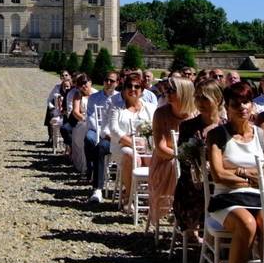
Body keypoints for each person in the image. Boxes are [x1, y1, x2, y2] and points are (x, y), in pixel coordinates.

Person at [206, 81, 264, 263]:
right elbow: (218, 175)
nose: (242, 107)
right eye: (235, 103)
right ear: (226, 106)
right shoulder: (217, 135)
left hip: (257, 197)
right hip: (226, 198)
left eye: (246, 101)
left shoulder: (262, 136)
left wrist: (239, 171)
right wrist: (254, 177)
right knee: (247, 224)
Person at [173, 79, 227, 234]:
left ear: (218, 99)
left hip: (220, 178)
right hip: (193, 179)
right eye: (197, 97)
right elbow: (183, 158)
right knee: (194, 187)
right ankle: (194, 228)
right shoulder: (188, 126)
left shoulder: (226, 126)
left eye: (205, 98)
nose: (200, 102)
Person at [147, 77, 196, 229]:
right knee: (177, 168)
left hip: (193, 164)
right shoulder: (161, 114)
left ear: (184, 92)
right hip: (165, 162)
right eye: (166, 89)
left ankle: (196, 222)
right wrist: (181, 156)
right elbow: (160, 148)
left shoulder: (196, 115)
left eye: (171, 90)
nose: (166, 93)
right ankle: (186, 223)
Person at [108, 71, 155, 209]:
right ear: (124, 88)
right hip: (122, 145)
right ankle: (129, 196)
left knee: (154, 158)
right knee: (131, 155)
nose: (132, 89)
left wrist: (145, 144)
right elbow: (114, 130)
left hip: (146, 146)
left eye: (136, 87)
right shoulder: (117, 107)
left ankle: (151, 196)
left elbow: (155, 129)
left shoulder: (150, 108)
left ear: (142, 90)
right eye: (129, 86)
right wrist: (133, 143)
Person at [84, 71, 121, 203]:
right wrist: (102, 133)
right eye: (106, 80)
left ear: (117, 83)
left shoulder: (121, 99)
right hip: (100, 130)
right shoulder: (94, 97)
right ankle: (96, 185)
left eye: (111, 81)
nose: (108, 83)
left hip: (121, 137)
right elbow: (90, 117)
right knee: (92, 140)